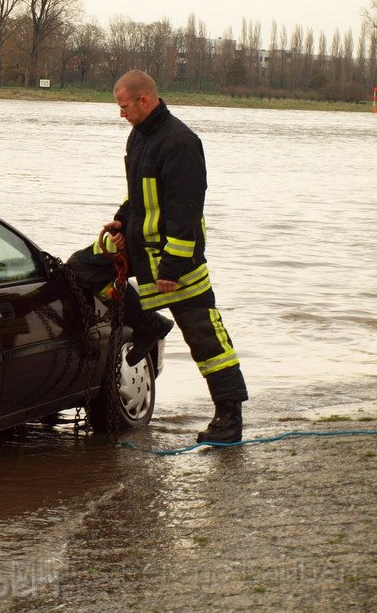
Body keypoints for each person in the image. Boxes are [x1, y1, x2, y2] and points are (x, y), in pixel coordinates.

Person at [67, 69, 248, 443]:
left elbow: (185, 211)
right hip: (139, 246)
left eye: (123, 106)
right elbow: (140, 196)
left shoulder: (180, 144)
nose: (121, 114)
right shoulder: (140, 138)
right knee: (80, 269)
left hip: (175, 261)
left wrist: (173, 266)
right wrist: (121, 221)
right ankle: (147, 324)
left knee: (205, 339)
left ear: (144, 101)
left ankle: (229, 418)